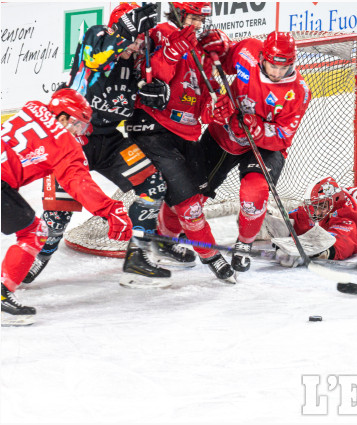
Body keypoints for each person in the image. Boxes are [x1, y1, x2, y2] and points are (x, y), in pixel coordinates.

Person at [22, 3, 189, 286]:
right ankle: (36, 255)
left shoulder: (133, 61)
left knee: (153, 184)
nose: (138, 47)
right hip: (72, 142)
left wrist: (155, 94)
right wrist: (125, 32)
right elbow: (98, 54)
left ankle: (137, 254)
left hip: (110, 141)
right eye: (135, 39)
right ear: (122, 28)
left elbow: (137, 94)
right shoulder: (97, 38)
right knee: (58, 215)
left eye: (140, 42)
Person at [124, 2, 235, 287]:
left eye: (201, 19)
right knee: (187, 202)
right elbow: (148, 80)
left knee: (195, 195)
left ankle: (165, 241)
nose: (197, 24)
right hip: (153, 127)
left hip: (186, 131)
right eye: (193, 17)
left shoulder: (201, 47)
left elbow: (203, 99)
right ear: (177, 12)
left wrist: (216, 109)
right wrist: (172, 52)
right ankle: (211, 255)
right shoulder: (160, 32)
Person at [1, 89, 133, 326]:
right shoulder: (64, 145)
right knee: (35, 232)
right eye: (77, 125)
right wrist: (110, 210)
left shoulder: (32, 107)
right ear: (63, 117)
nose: (78, 133)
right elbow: (78, 183)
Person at [194, 30, 312, 273]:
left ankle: (244, 243)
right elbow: (224, 60)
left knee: (254, 193)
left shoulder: (298, 91)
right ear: (262, 57)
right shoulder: (248, 50)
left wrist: (257, 129)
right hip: (225, 134)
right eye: (272, 66)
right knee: (193, 192)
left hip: (265, 146)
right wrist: (219, 45)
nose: (278, 73)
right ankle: (175, 238)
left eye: (284, 67)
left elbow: (282, 136)